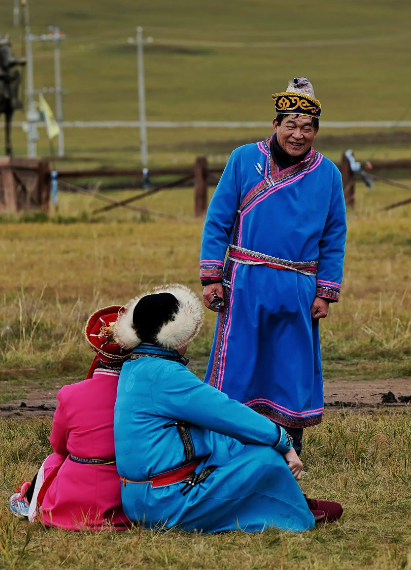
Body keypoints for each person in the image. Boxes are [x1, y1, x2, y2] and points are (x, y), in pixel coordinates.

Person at [112, 284, 342, 532]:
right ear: (176, 335)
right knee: (264, 457)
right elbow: (227, 412)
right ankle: (293, 508)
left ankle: (282, 498)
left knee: (227, 441)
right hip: (167, 503)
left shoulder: (133, 367)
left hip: (138, 500)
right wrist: (282, 440)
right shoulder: (166, 374)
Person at [199, 77, 347, 458]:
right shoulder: (242, 159)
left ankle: (289, 445)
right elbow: (217, 220)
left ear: (315, 131)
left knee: (291, 366)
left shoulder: (328, 173)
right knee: (239, 361)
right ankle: (228, 442)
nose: (298, 134)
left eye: (307, 127)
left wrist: (325, 292)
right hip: (245, 280)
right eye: (291, 125)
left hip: (299, 283)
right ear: (276, 124)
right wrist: (212, 276)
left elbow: (334, 236)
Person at [8, 306, 133, 530]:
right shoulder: (141, 393)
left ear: (98, 351)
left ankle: (29, 502)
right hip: (124, 500)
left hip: (71, 506)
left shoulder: (70, 393)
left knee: (53, 461)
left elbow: (59, 445)